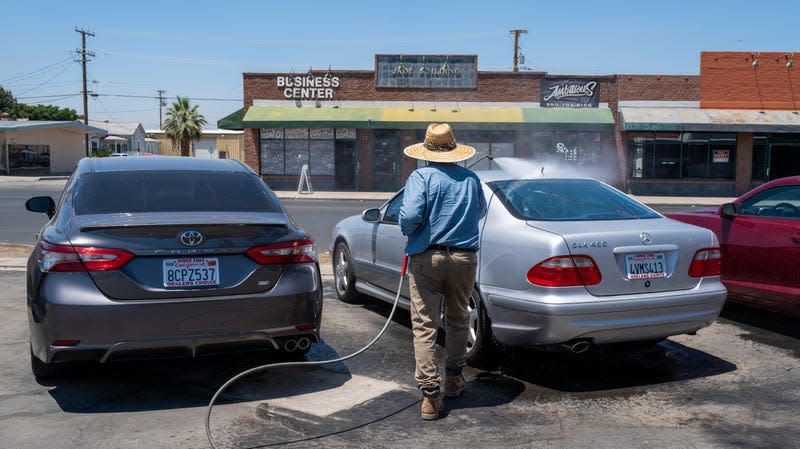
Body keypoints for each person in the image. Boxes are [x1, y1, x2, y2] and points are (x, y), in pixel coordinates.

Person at [398, 123, 487, 421]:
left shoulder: (420, 177)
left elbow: (409, 216)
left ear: (426, 152)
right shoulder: (471, 179)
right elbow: (481, 211)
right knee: (458, 318)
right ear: (453, 150)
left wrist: (408, 230)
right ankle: (453, 379)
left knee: (425, 325)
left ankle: (430, 397)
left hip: (427, 257)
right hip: (464, 258)